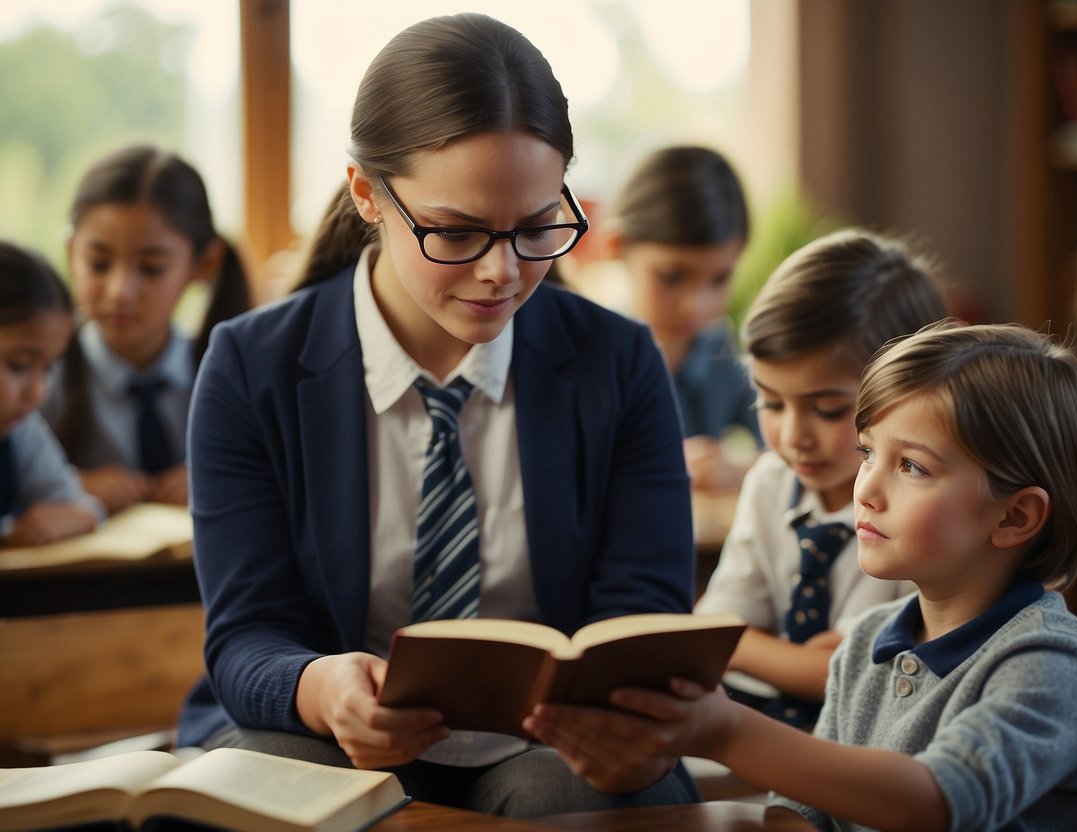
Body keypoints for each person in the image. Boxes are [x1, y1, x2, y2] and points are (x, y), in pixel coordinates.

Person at [177, 12, 696, 818]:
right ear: (366, 195)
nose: (501, 272)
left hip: (549, 745)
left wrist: (609, 712)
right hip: (324, 739)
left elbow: (642, 617)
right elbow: (247, 638)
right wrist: (320, 688)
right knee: (264, 790)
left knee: (576, 804)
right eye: (454, 233)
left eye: (535, 228)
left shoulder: (618, 363)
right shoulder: (252, 367)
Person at [526, 322, 1077, 832]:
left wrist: (726, 732)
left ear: (1015, 516)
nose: (868, 489)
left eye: (911, 466)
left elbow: (933, 804)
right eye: (867, 454)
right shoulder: (866, 641)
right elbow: (802, 811)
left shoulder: (1048, 660)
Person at [695, 229, 948, 728]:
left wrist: (749, 645)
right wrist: (775, 653)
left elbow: (846, 674)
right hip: (760, 727)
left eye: (828, 410)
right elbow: (713, 633)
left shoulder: (922, 507)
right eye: (770, 401)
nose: (792, 436)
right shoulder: (770, 482)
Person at [43, 144, 251, 514]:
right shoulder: (37, 377)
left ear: (204, 264)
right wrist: (65, 485)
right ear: (71, 254)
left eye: (152, 267)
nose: (120, 291)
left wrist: (222, 478)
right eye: (99, 263)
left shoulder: (234, 375)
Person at [570, 145, 759, 490]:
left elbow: (793, 450)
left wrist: (736, 469)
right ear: (615, 246)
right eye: (672, 276)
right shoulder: (585, 353)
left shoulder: (717, 347)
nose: (696, 306)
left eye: (719, 279)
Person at [0, 241, 106, 546]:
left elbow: (84, 506)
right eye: (18, 365)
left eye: (48, 369)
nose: (38, 392)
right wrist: (9, 532)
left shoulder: (21, 432)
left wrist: (77, 514)